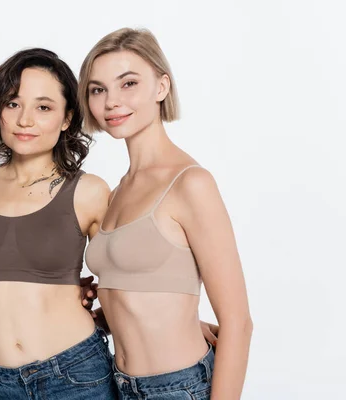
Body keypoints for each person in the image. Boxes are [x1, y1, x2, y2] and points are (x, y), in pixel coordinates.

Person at [80, 28, 253, 399]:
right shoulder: (116, 191)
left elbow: (238, 322)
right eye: (98, 89)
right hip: (118, 384)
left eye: (128, 83)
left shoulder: (190, 184)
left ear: (161, 87)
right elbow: (143, 296)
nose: (111, 101)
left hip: (178, 388)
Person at [0, 48, 118, 399]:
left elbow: (135, 278)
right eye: (13, 103)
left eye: (43, 107)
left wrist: (176, 321)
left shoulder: (88, 192)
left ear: (66, 119)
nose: (24, 120)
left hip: (75, 375)